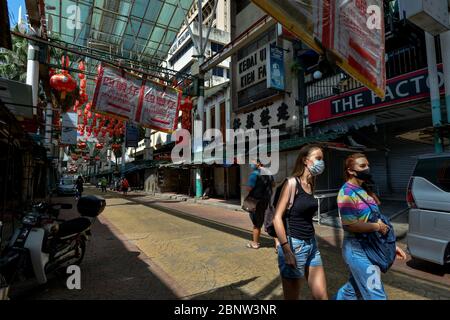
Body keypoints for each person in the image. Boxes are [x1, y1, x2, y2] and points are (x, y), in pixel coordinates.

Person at [335, 153, 407, 300]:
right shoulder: (346, 193)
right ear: (350, 170)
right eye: (362, 166)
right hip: (357, 250)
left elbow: (376, 219)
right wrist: (377, 227)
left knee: (352, 291)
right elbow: (350, 225)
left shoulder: (364, 191)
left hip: (371, 246)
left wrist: (390, 245)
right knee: (376, 294)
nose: (367, 168)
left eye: (368, 165)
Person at [273, 144, 328, 300]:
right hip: (294, 246)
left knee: (322, 296)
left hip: (312, 245)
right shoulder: (291, 183)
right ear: (305, 160)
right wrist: (286, 249)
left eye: (322, 159)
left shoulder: (311, 184)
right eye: (318, 158)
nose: (321, 162)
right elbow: (277, 217)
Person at [245, 159, 275, 250]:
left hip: (257, 202)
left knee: (257, 223)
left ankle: (255, 243)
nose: (251, 164)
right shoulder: (269, 172)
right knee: (271, 222)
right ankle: (277, 245)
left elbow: (249, 188)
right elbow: (273, 184)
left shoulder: (254, 174)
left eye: (253, 162)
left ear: (259, 163)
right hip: (268, 201)